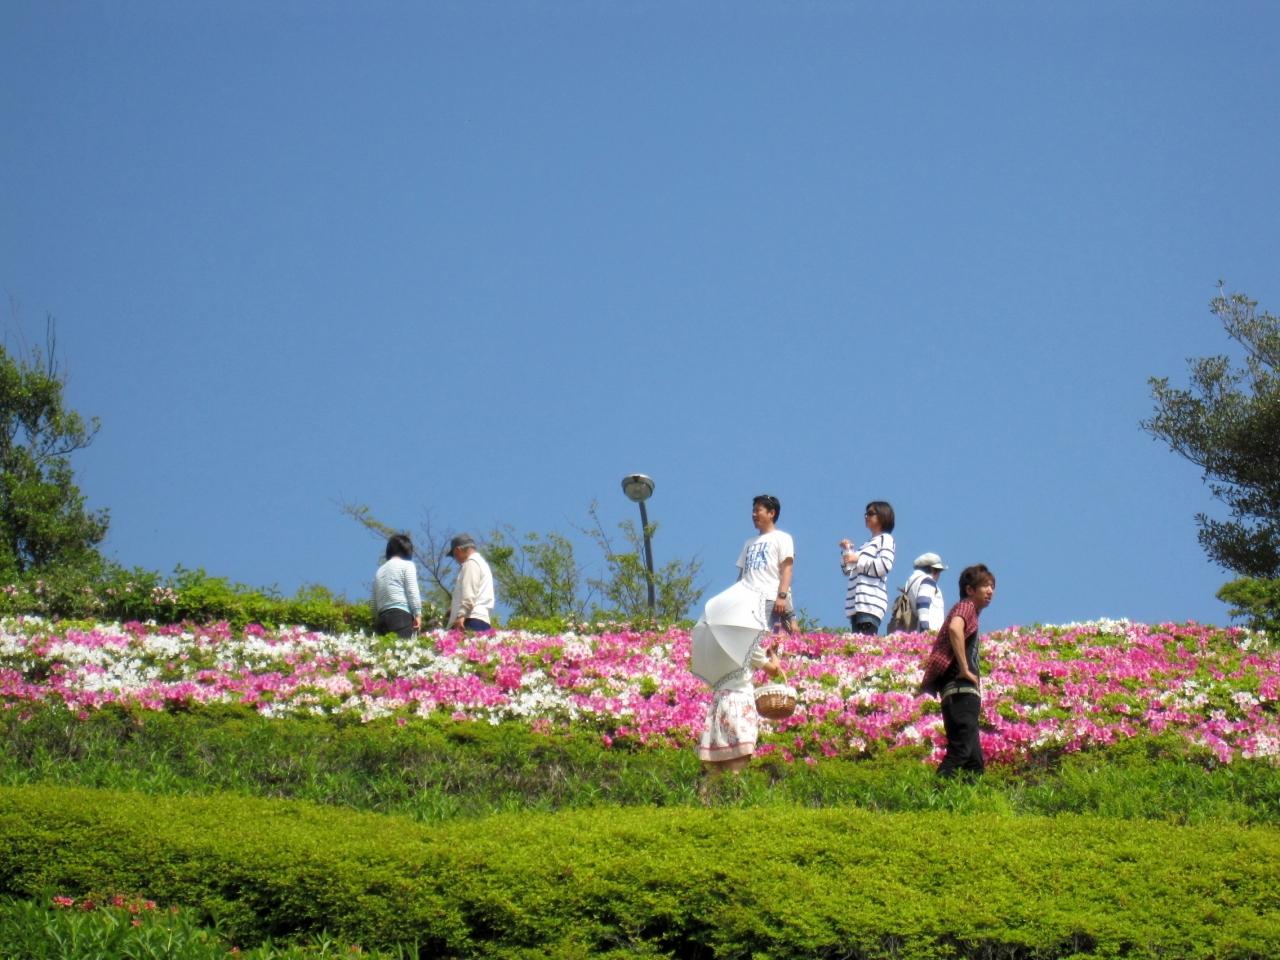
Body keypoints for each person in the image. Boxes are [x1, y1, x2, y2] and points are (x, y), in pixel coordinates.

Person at [697, 494, 792, 780]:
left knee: (760, 639)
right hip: (746, 601)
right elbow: (740, 578)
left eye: (758, 510)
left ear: (771, 513)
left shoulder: (782, 538)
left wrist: (782, 596)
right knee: (752, 643)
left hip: (767, 597)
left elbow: (786, 568)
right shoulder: (749, 544)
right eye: (753, 510)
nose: (754, 514)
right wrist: (734, 602)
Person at [919, 563, 997, 778]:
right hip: (960, 690)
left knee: (974, 762)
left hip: (960, 692)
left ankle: (963, 798)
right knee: (961, 750)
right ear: (970, 590)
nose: (990, 591)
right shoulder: (966, 606)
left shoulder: (971, 611)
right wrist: (964, 668)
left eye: (992, 586)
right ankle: (935, 793)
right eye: (985, 586)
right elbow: (955, 628)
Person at [841, 500, 896, 634]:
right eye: (866, 514)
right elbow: (848, 570)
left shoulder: (886, 539)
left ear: (883, 516)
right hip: (856, 604)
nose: (866, 516)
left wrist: (857, 559)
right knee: (859, 642)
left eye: (870, 513)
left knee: (866, 641)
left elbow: (884, 565)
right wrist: (847, 551)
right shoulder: (865, 545)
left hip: (870, 602)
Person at [372, 533, 421, 639]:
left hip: (381, 619)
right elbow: (412, 591)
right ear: (407, 549)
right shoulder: (407, 565)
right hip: (400, 616)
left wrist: (376, 618)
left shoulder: (379, 571)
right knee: (403, 647)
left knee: (385, 649)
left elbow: (374, 601)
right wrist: (418, 614)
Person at [447, 533, 495, 631]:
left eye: (455, 555)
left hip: (470, 619)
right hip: (482, 619)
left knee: (466, 641)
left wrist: (461, 614)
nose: (456, 559)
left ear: (458, 550)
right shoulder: (482, 563)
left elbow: (469, 592)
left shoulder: (471, 563)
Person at [904, 552, 947, 633]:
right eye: (939, 571)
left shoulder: (911, 582)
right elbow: (922, 602)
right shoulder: (928, 581)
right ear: (934, 570)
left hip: (917, 631)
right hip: (930, 632)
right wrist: (925, 629)